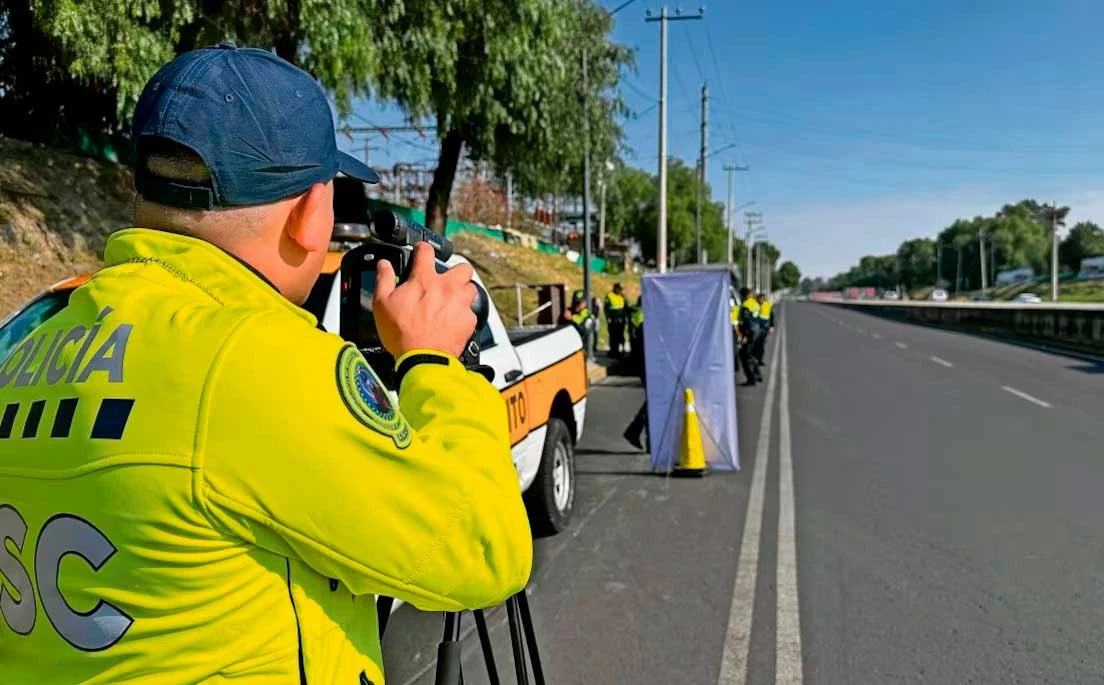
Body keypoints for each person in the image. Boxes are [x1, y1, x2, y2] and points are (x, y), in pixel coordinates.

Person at [0, 45, 532, 685]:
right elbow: (482, 549)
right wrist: (432, 363)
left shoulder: (28, 334)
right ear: (311, 214)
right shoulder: (256, 357)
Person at [623, 296, 649, 450]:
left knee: (653, 402)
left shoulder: (644, 322)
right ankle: (637, 430)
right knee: (654, 402)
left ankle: (636, 430)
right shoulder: (648, 324)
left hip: (645, 366)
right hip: (649, 368)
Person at [736, 286, 762, 386]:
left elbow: (747, 321)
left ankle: (751, 379)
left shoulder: (746, 305)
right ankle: (758, 374)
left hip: (749, 333)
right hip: (757, 331)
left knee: (744, 356)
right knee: (751, 355)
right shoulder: (755, 304)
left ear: (743, 295)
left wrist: (745, 336)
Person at [563, 289, 595, 357]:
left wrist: (571, 320)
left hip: (580, 350)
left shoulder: (588, 316)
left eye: (579, 303)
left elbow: (584, 331)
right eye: (575, 302)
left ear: (584, 303)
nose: (576, 305)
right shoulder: (569, 311)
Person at [604, 283, 627, 357]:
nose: (620, 291)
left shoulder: (622, 297)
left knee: (620, 335)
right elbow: (606, 308)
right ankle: (613, 351)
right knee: (613, 336)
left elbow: (625, 308)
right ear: (615, 288)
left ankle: (620, 351)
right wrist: (608, 318)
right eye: (619, 289)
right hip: (612, 319)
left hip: (620, 320)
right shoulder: (609, 295)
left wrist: (624, 318)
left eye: (621, 289)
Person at [752, 291, 775, 366]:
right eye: (760, 298)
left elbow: (771, 316)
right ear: (758, 298)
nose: (761, 299)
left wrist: (772, 326)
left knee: (761, 345)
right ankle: (754, 359)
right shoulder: (755, 305)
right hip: (756, 328)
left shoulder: (768, 305)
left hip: (764, 329)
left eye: (763, 298)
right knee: (755, 344)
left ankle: (760, 360)